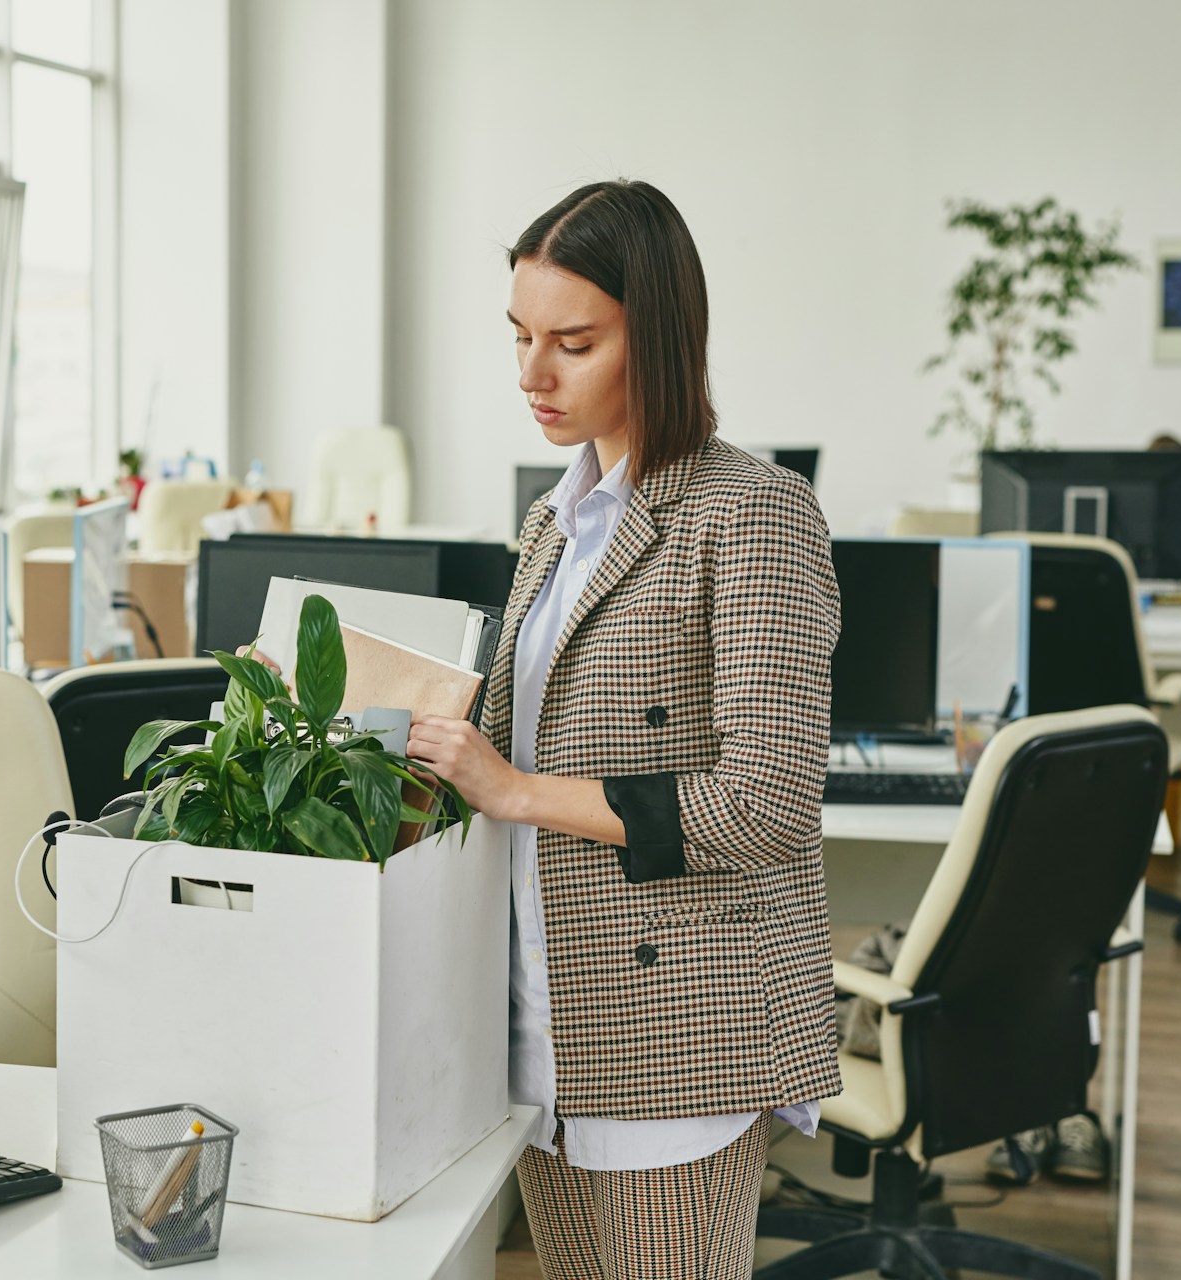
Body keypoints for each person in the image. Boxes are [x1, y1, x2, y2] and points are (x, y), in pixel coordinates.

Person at [402, 181, 842, 1278]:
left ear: (662, 335)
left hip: (674, 1031)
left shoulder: (753, 513)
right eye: (520, 337)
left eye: (574, 341)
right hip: (547, 1028)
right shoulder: (554, 522)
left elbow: (766, 805)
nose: (532, 374)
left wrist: (513, 789)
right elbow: (519, 738)